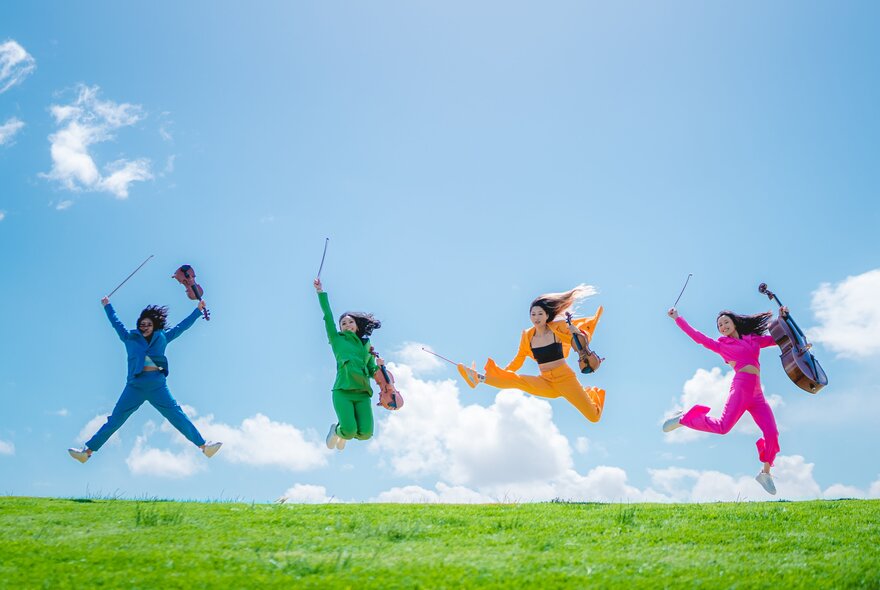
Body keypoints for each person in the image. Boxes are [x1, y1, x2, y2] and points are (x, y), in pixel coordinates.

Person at [67, 297, 221, 463]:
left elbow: (181, 327)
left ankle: (204, 446)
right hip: (135, 387)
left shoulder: (163, 337)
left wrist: (198, 311)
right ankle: (87, 452)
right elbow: (116, 322)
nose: (145, 327)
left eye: (148, 324)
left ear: (154, 325)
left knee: (178, 416)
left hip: (157, 386)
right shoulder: (129, 338)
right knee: (115, 420)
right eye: (142, 324)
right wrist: (107, 305)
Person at [663, 306, 787, 495]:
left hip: (757, 394)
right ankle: (685, 418)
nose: (723, 326)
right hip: (741, 387)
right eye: (720, 325)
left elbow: (778, 339)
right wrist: (677, 319)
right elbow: (697, 337)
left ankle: (765, 473)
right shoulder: (722, 346)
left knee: (772, 433)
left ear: (734, 322)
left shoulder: (752, 340)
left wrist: (784, 318)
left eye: (726, 322)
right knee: (723, 427)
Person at [458, 285, 606, 423]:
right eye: (533, 314)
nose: (536, 317)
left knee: (593, 417)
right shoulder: (527, 336)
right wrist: (503, 373)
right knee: (516, 381)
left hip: (565, 380)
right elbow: (518, 360)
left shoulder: (557, 328)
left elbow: (579, 339)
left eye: (540, 314)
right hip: (545, 381)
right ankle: (477, 377)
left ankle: (590, 393)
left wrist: (576, 331)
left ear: (547, 315)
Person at [314, 278, 385, 450]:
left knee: (365, 434)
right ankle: (338, 430)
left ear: (357, 325)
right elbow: (328, 317)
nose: (347, 325)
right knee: (349, 430)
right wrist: (320, 292)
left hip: (362, 394)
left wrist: (379, 366)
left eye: (350, 322)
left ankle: (344, 434)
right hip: (343, 391)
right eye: (343, 323)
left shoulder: (366, 345)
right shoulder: (337, 340)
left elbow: (370, 370)